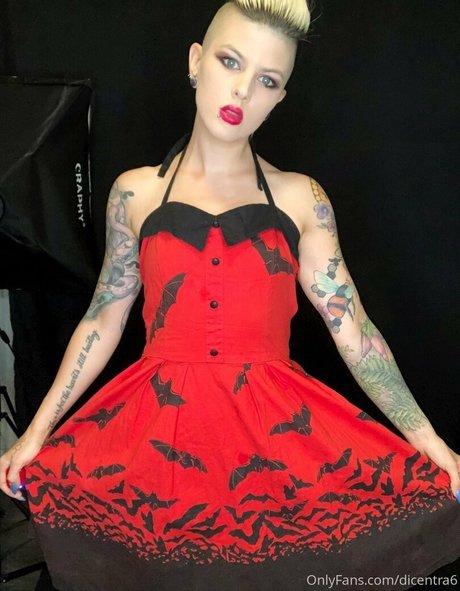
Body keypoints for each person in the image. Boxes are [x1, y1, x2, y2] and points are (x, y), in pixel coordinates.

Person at [1, 1, 459, 589]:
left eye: (267, 80)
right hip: (156, 438)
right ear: (196, 62)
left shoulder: (302, 199)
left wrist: (427, 440)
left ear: (280, 97)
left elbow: (354, 330)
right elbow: (103, 318)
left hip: (273, 439)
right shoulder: (134, 194)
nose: (242, 90)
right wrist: (36, 434)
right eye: (230, 61)